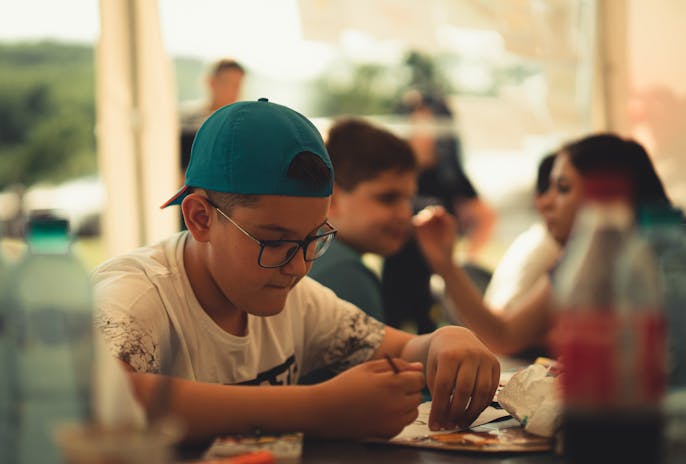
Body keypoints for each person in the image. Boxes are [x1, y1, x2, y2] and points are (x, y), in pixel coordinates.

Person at [92, 98, 500, 443]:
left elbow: (403, 350)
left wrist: (446, 342)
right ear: (200, 219)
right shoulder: (136, 297)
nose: (300, 266)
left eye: (313, 239)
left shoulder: (295, 300)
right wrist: (317, 408)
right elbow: (104, 397)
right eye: (274, 241)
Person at [411, 133, 673, 357]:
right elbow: (504, 335)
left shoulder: (666, 258)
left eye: (562, 188)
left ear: (605, 192)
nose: (544, 203)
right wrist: (445, 264)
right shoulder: (576, 261)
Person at [381, 91, 495, 333]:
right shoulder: (397, 172)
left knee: (434, 332)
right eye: (415, 123)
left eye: (429, 124)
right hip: (397, 268)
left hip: (435, 271)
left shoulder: (450, 174)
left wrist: (466, 259)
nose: (422, 132)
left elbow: (486, 217)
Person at [308, 117, 417, 322]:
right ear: (332, 199)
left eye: (408, 199)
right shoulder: (344, 273)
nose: (405, 214)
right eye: (388, 198)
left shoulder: (311, 253)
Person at [482, 152, 562, 313]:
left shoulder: (539, 237)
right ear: (540, 200)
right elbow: (504, 322)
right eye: (563, 189)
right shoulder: (550, 249)